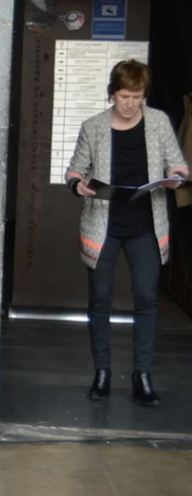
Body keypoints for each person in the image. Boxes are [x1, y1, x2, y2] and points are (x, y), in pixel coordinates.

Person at [65, 60, 187, 407]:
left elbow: (177, 164)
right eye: (124, 96)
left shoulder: (158, 122)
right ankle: (102, 372)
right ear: (112, 94)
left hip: (146, 224)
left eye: (137, 97)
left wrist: (176, 177)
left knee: (146, 297)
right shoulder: (93, 127)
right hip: (103, 224)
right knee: (100, 299)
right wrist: (78, 185)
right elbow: (74, 170)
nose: (131, 104)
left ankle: (142, 375)